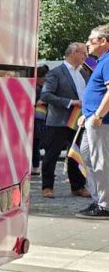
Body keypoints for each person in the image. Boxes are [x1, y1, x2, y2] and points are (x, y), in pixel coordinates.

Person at [39, 42, 89, 198]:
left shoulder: (83, 73)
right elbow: (46, 95)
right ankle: (47, 187)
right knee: (51, 155)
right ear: (73, 53)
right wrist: (70, 102)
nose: (86, 57)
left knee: (76, 154)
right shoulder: (56, 72)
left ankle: (78, 186)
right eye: (83, 53)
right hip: (59, 121)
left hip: (78, 121)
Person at [80, 28, 109, 217]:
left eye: (91, 40)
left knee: (101, 162)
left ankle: (105, 205)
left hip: (101, 121)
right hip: (92, 119)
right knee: (87, 157)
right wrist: (87, 114)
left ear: (104, 41)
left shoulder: (107, 61)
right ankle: (98, 199)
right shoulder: (101, 61)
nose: (88, 44)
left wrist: (98, 115)